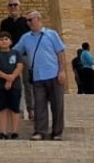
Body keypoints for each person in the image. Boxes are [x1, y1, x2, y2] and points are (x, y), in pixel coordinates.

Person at [12, 10, 67, 141]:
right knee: (39, 105)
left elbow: (60, 53)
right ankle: (40, 131)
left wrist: (62, 70)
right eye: (27, 20)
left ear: (39, 19)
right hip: (37, 76)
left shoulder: (51, 34)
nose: (29, 23)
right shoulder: (26, 38)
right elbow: (15, 50)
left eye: (31, 20)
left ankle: (57, 132)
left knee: (57, 105)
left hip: (53, 74)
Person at [0, 32, 23, 139]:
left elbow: (19, 67)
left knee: (14, 108)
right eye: (1, 39)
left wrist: (11, 78)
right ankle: (3, 132)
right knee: (2, 108)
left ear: (11, 41)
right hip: (0, 85)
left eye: (6, 39)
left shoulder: (16, 53)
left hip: (15, 85)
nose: (4, 41)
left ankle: (14, 132)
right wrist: (6, 77)